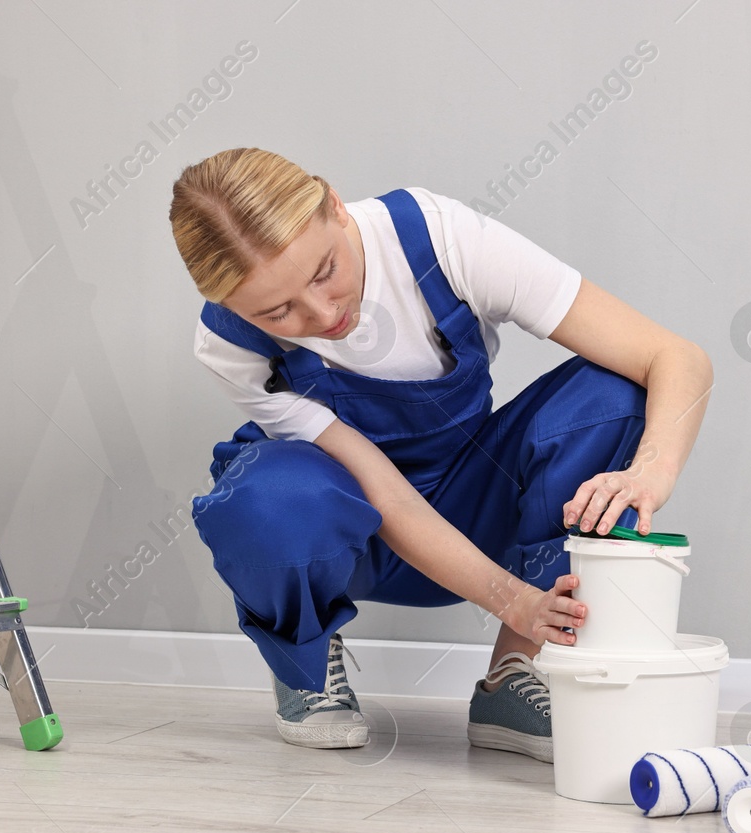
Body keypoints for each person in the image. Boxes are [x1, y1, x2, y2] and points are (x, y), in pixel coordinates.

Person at [168, 148, 711, 761]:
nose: (323, 315)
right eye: (278, 311)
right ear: (237, 309)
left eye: (324, 271)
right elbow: (386, 492)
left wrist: (651, 472)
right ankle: (307, 667)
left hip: (474, 506)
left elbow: (675, 359)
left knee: (614, 393)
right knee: (268, 496)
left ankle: (514, 675)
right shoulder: (228, 344)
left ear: (335, 207)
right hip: (352, 533)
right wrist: (513, 597)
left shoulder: (439, 240)